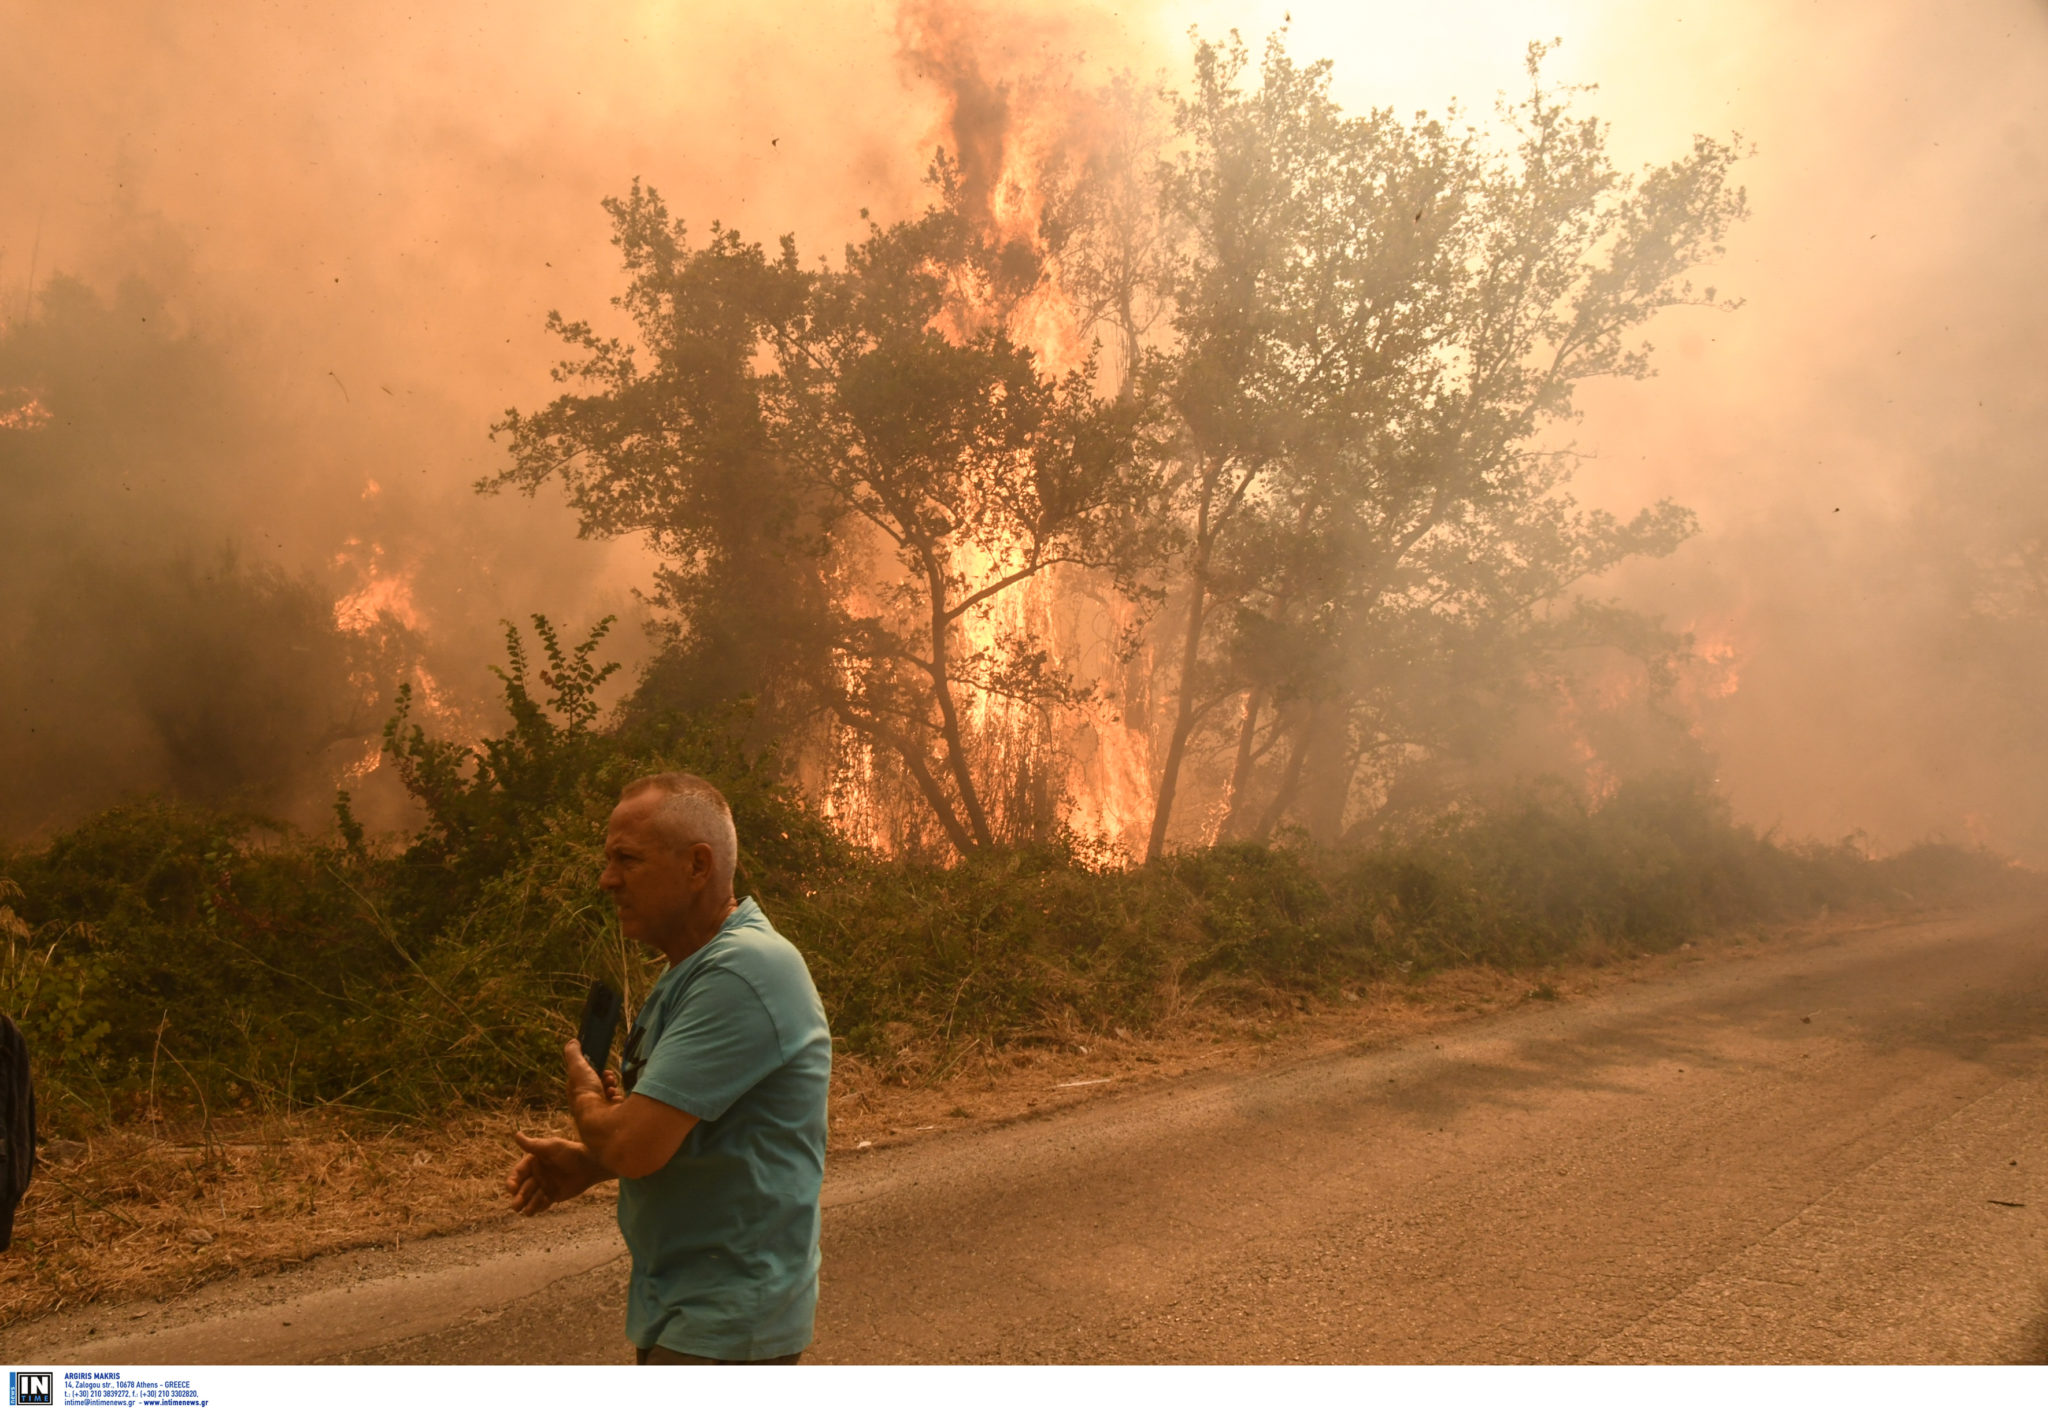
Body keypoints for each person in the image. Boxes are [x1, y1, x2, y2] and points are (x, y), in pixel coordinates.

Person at [505, 772, 830, 1365]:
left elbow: (633, 1149)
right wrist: (589, 1163)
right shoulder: (697, 967)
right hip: (690, 1308)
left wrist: (586, 1101)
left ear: (698, 865)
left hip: (727, 1322)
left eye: (626, 859)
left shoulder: (741, 972)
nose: (607, 881)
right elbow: (695, 1135)